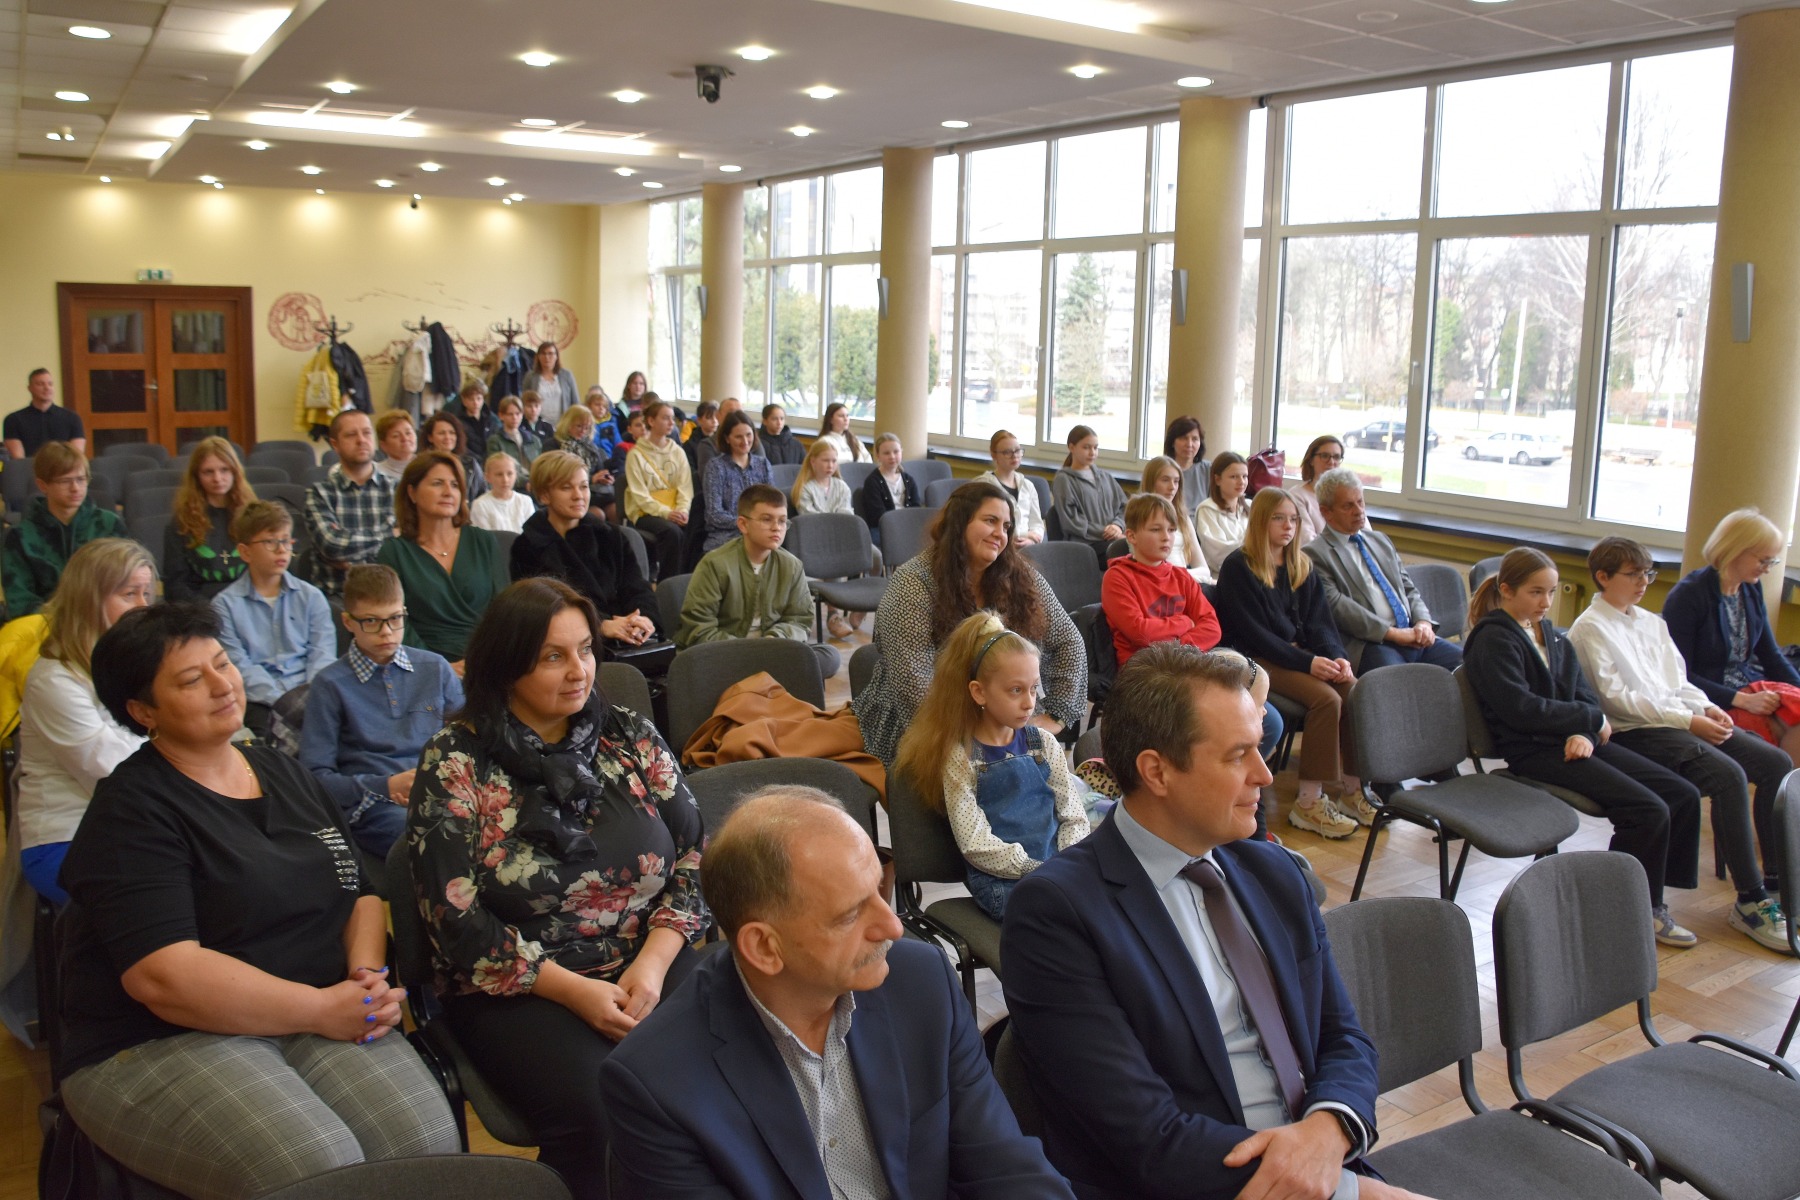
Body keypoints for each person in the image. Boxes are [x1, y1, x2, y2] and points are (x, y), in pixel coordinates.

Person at [57, 603, 460, 1199]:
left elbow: (360, 894)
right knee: (316, 1167)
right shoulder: (132, 810)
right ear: (144, 712)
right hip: (156, 1039)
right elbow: (164, 977)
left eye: (223, 664)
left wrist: (366, 978)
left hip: (315, 1005)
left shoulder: (282, 770)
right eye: (192, 681)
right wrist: (322, 1010)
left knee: (428, 1148)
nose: (223, 686)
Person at [1002, 644, 1421, 1200]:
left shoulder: (1274, 873)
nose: (1266, 776)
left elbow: (1342, 1036)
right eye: (1238, 755)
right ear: (1157, 772)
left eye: (1262, 750)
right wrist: (1346, 1191)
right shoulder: (1058, 914)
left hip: (1318, 1164)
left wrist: (1329, 1130)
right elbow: (1145, 1140)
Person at [598, 786, 1074, 1200]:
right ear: (764, 947)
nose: (891, 926)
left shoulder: (921, 982)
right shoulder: (656, 1083)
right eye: (850, 915)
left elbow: (1003, 1164)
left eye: (879, 891)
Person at [408, 578, 708, 1200]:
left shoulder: (625, 733)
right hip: (519, 982)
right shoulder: (456, 760)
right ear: (507, 663)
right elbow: (454, 918)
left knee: (738, 1056)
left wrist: (653, 962)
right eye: (553, 656)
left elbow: (696, 855)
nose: (579, 671)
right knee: (605, 1106)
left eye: (586, 650)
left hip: (645, 955)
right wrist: (574, 992)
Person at [1463, 547, 1703, 948]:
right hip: (1533, 750)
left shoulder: (1553, 636)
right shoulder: (1492, 640)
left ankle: (1648, 894)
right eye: (1536, 593)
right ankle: (1624, 907)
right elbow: (1521, 710)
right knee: (1646, 809)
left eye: (1552, 592)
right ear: (1506, 590)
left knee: (1681, 794)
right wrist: (1586, 722)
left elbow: (1586, 698)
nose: (1546, 602)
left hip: (1572, 742)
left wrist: (1586, 733)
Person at [1568, 537, 1790, 951]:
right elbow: (1618, 701)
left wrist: (1707, 708)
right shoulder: (1590, 628)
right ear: (1602, 577)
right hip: (1637, 732)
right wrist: (1688, 720)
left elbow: (1678, 682)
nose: (1644, 583)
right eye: (1633, 575)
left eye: (1647, 574)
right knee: (1728, 777)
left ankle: (1778, 881)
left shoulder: (1652, 622)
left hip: (1681, 720)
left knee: (1774, 762)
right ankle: (1750, 900)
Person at [855, 482, 1086, 767]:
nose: (999, 534)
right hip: (926, 726)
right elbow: (914, 685)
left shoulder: (1020, 576)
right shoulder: (913, 582)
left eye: (1006, 527)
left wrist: (1054, 716)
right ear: (960, 522)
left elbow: (1069, 641)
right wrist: (983, 739)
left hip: (1004, 719)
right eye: (990, 521)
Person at [895, 612, 1091, 918]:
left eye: (1033, 688)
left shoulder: (1044, 743)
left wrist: (1065, 861)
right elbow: (974, 843)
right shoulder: (962, 757)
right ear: (979, 692)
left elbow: (1073, 815)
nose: (1029, 703)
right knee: (1068, 924)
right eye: (1016, 690)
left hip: (1056, 872)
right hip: (1006, 883)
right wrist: (1034, 869)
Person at [1214, 486, 1364, 838]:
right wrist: (1309, 663)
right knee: (1326, 699)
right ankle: (1309, 802)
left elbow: (1321, 625)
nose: (1288, 526)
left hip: (1299, 656)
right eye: (1279, 518)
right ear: (1261, 521)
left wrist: (1337, 658)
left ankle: (1354, 789)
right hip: (1257, 660)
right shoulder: (1239, 567)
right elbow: (1254, 636)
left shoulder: (1302, 565)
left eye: (1294, 519)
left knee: (1351, 688)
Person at [15, 539, 153, 904]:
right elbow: (112, 774)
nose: (143, 607)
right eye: (129, 594)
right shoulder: (54, 680)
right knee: (170, 901)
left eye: (146, 594)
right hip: (67, 838)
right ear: (90, 599)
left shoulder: (131, 665)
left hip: (136, 826)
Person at [300, 564, 462, 862]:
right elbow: (314, 780)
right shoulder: (330, 684)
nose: (387, 632)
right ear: (348, 621)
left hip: (445, 791)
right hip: (375, 804)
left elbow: (470, 741)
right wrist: (385, 785)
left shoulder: (435, 668)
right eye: (372, 621)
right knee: (433, 839)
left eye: (395, 619)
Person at [1663, 507, 1800, 758]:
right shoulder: (1688, 596)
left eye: (1772, 561)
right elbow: (1679, 675)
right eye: (1763, 560)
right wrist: (1740, 699)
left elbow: (1770, 654)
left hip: (1749, 688)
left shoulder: (1750, 589)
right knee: (1786, 730)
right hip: (1711, 700)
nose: (1767, 569)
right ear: (1735, 550)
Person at [1303, 467, 1460, 674]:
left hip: (1412, 634)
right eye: (1348, 506)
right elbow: (1341, 609)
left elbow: (1408, 588)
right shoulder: (1314, 554)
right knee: (1397, 685)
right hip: (1372, 643)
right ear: (1326, 512)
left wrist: (1423, 623)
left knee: (1470, 665)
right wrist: (1392, 634)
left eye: (1360, 502)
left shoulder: (1379, 540)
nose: (1359, 511)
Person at [679, 484, 841, 677]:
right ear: (743, 524)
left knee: (829, 656)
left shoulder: (791, 565)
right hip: (727, 654)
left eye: (782, 521)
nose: (776, 528)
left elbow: (800, 620)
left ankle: (764, 676)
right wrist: (747, 650)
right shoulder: (715, 564)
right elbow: (699, 629)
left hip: (773, 651)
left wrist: (776, 638)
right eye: (767, 520)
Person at [511, 450, 662, 644]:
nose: (578, 496)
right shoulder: (527, 547)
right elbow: (542, 612)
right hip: (570, 645)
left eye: (583, 486)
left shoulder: (611, 536)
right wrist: (600, 625)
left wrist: (643, 618)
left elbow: (637, 587)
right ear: (544, 495)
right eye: (566, 488)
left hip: (627, 638)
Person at [377, 451, 510, 666]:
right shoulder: (393, 553)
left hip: (488, 659)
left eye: (455, 485)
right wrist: (439, 667)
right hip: (422, 664)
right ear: (412, 493)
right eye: (438, 483)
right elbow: (397, 624)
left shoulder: (483, 541)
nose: (449, 492)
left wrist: (485, 658)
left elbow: (504, 609)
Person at [212, 501, 336, 733]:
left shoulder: (311, 597)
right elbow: (239, 666)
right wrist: (284, 702)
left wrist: (308, 697)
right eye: (270, 542)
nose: (282, 550)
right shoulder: (224, 605)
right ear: (245, 551)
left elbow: (322, 654)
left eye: (286, 540)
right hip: (260, 701)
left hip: (312, 695)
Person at [2, 441, 127, 618]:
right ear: (43, 485)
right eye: (65, 481)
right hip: (46, 626)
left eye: (81, 479)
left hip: (101, 621)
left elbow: (126, 584)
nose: (75, 488)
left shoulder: (109, 525)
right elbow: (20, 601)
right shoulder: (20, 536)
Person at [1103, 494, 1223, 668]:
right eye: (1156, 529)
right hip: (1144, 669)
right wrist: (1185, 622)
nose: (1166, 537)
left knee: (1251, 677)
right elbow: (1140, 632)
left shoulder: (1181, 576)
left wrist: (1177, 648)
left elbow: (1212, 628)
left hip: (1184, 661)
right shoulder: (1117, 577)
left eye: (1172, 530)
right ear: (1131, 536)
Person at [304, 409, 396, 599]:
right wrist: (389, 534)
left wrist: (350, 558)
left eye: (367, 432)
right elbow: (332, 545)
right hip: (338, 598)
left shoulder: (396, 490)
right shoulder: (320, 493)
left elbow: (406, 548)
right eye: (351, 435)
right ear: (335, 445)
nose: (361, 440)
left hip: (391, 598)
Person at [163, 435, 255, 602]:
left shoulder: (253, 516)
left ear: (235, 471)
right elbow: (176, 585)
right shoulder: (181, 523)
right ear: (197, 476)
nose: (217, 478)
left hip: (250, 606)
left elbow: (265, 574)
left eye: (224, 470)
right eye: (208, 472)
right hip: (202, 611)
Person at [624, 399, 693, 580]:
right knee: (672, 532)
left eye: (672, 418)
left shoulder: (677, 451)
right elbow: (639, 495)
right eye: (665, 418)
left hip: (675, 508)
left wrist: (683, 510)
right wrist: (666, 512)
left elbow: (685, 487)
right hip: (646, 512)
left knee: (695, 527)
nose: (672, 422)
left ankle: (687, 580)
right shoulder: (636, 454)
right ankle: (668, 583)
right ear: (651, 421)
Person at [1052, 424, 1127, 566]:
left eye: (1095, 447)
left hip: (1112, 539)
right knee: (1126, 554)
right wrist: (1106, 532)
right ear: (1072, 447)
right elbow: (1071, 521)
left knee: (1142, 549)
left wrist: (1117, 526)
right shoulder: (1064, 480)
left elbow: (1125, 506)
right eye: (1086, 447)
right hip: (1085, 545)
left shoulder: (1105, 477)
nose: (1092, 452)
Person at [702, 409, 772, 552]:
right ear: (727, 438)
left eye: (748, 435)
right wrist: (747, 524)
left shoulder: (763, 464)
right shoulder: (716, 467)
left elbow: (771, 503)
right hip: (726, 535)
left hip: (760, 532)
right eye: (738, 437)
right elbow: (713, 514)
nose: (745, 441)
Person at [1140, 455, 1211, 584]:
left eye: (1176, 481)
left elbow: (1204, 569)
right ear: (1152, 482)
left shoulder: (1183, 518)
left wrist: (1182, 575)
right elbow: (1155, 573)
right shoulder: (1141, 516)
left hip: (1185, 581)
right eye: (1165, 480)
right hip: (1159, 584)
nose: (1172, 487)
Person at [974, 429, 1045, 546]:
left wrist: (1031, 540)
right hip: (997, 547)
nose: (1014, 456)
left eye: (1017, 451)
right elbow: (986, 526)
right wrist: (1025, 534)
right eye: (1007, 452)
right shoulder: (984, 484)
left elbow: (1037, 524)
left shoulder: (1027, 485)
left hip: (1027, 548)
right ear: (994, 455)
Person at [1194, 451, 1252, 576]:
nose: (1241, 482)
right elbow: (1219, 554)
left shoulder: (1251, 506)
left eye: (1245, 476)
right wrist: (1253, 542)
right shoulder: (1207, 509)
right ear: (1217, 479)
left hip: (1254, 572)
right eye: (1234, 477)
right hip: (1224, 576)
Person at [860, 431, 921, 549]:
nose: (892, 456)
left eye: (896, 452)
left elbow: (915, 508)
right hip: (883, 529)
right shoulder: (872, 482)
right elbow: (877, 516)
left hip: (907, 525)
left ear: (901, 452)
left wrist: (907, 525)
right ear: (878, 455)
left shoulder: (909, 480)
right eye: (886, 453)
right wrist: (899, 526)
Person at [4, 367, 84, 458]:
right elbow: (18, 459)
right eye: (40, 384)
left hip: (63, 470)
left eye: (50, 384)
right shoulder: (13, 420)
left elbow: (76, 456)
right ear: (30, 388)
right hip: (28, 470)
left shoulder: (72, 418)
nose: (47, 388)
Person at [420, 407, 486, 501]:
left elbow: (483, 496)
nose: (448, 437)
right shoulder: (421, 466)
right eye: (441, 433)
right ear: (430, 437)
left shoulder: (471, 465)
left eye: (452, 433)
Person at [1290, 436, 1344, 546]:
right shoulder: (1297, 495)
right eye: (1325, 456)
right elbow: (1308, 542)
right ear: (1311, 460)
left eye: (1337, 457)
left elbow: (1366, 534)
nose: (1331, 462)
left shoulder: (1347, 494)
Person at [468, 452, 536, 534]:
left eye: (510, 474)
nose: (505, 480)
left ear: (516, 475)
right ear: (487, 477)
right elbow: (483, 539)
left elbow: (532, 534)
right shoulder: (480, 505)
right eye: (499, 474)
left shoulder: (525, 501)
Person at [486, 393, 542, 485]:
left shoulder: (534, 440)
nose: (515, 418)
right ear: (501, 416)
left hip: (535, 483)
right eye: (510, 414)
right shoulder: (495, 441)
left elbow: (541, 466)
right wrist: (526, 482)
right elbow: (499, 469)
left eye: (518, 414)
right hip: (511, 484)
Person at [522, 341, 579, 422]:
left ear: (556, 356)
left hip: (563, 424)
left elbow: (575, 402)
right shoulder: (530, 377)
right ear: (538, 356)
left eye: (550, 353)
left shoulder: (567, 375)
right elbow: (524, 401)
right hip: (538, 424)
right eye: (543, 353)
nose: (547, 357)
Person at [1163, 414, 1208, 510]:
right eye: (1183, 438)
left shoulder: (1209, 470)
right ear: (1172, 442)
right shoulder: (1160, 469)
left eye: (1195, 439)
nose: (1189, 444)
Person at [445, 378, 499, 453]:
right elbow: (462, 448)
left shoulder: (493, 420)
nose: (475, 403)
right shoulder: (457, 422)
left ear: (483, 399)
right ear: (463, 400)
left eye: (479, 398)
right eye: (471, 399)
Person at [373, 409, 418, 486]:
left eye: (408, 433)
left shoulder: (429, 467)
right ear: (383, 445)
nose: (405, 439)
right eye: (396, 436)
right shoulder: (376, 472)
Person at [684, 399, 720, 474]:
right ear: (699, 420)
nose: (714, 421)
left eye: (716, 417)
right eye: (709, 418)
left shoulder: (723, 439)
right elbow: (691, 472)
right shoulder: (690, 445)